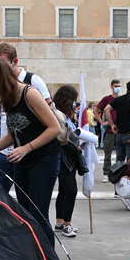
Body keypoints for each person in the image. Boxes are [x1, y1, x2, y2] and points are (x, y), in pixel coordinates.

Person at [0, 58, 61, 245]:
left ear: (1, 79)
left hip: (44, 159)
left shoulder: (30, 94)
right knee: (25, 215)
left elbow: (54, 128)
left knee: (38, 215)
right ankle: (33, 259)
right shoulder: (7, 98)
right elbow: (13, 135)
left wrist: (27, 147)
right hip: (22, 160)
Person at [53, 85, 81, 237]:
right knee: (71, 190)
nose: (75, 104)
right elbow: (63, 137)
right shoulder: (59, 115)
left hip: (67, 155)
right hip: (63, 156)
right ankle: (67, 225)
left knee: (64, 191)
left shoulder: (66, 115)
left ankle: (60, 222)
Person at [103, 81, 130, 163]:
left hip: (119, 135)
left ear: (127, 89)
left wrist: (112, 125)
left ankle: (118, 175)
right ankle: (128, 176)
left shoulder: (119, 99)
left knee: (119, 162)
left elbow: (106, 109)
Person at [96, 79, 122, 182]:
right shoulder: (107, 99)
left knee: (120, 154)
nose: (117, 87)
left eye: (119, 86)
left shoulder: (122, 99)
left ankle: (117, 173)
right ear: (111, 87)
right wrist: (102, 122)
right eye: (116, 86)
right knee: (108, 153)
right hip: (109, 130)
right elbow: (96, 110)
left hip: (120, 130)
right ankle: (106, 173)